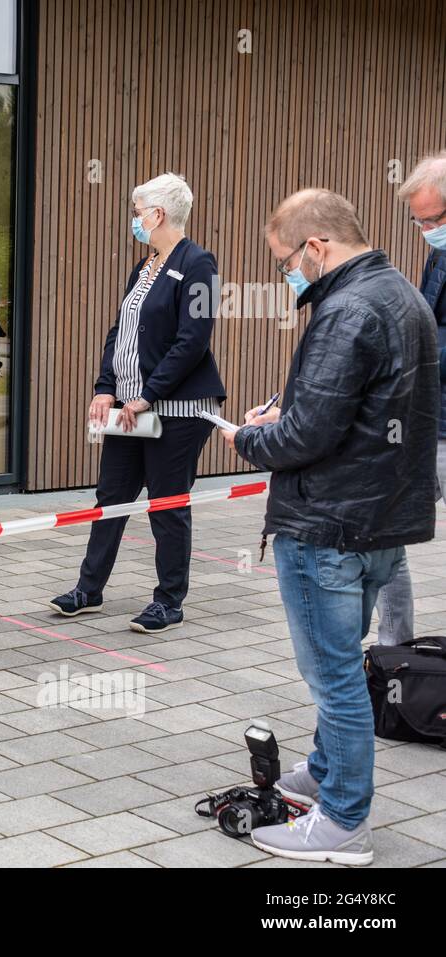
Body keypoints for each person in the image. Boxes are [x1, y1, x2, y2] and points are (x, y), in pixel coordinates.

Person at [220, 188, 437, 865]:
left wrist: (250, 440)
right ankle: (323, 767)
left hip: (328, 525)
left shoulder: (345, 308)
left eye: (287, 258)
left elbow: (308, 433)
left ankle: (342, 819)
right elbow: (366, 403)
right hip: (380, 523)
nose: (289, 272)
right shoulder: (405, 295)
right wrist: (286, 411)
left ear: (317, 246)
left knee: (334, 675)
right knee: (344, 664)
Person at [48, 172, 225, 634]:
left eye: (137, 211)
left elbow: (193, 340)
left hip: (175, 411)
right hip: (128, 408)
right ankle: (89, 589)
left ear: (159, 214)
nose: (134, 219)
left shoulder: (198, 263)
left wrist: (149, 394)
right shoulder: (144, 267)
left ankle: (169, 600)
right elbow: (120, 332)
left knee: (166, 504)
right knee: (112, 498)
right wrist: (106, 385)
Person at [373, 150, 446, 645]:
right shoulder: (439, 253)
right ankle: (393, 655)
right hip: (428, 421)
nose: (425, 232)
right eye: (417, 222)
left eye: (432, 221)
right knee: (384, 528)